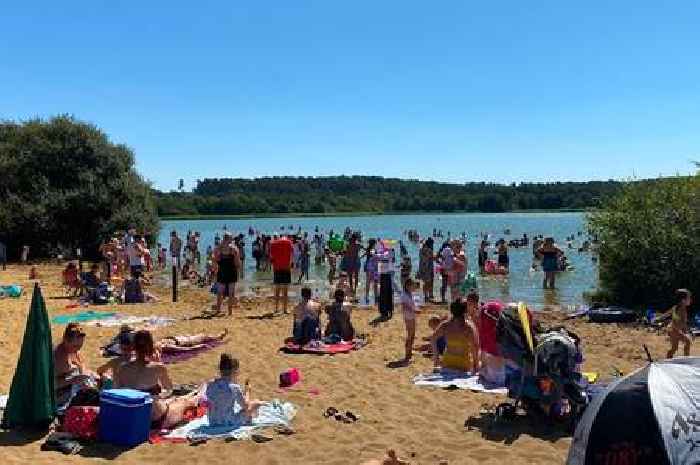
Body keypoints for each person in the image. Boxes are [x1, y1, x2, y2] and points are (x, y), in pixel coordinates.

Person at [114, 330, 201, 429]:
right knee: (184, 402)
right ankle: (198, 396)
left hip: (130, 416)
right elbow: (169, 389)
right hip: (155, 419)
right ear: (151, 347)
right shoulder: (158, 367)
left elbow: (117, 390)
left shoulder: (122, 368)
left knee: (170, 401)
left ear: (133, 347)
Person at [206, 354, 264, 428]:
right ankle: (249, 421)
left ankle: (249, 419)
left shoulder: (210, 384)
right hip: (228, 422)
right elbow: (246, 406)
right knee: (256, 403)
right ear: (234, 371)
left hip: (212, 422)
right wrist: (247, 391)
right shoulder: (234, 387)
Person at [431, 299, 479, 373]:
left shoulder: (445, 325)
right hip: (463, 364)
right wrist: (476, 366)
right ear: (465, 311)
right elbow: (474, 348)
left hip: (447, 362)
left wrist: (436, 358)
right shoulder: (469, 327)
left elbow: (433, 339)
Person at [54, 324, 97, 405]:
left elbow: (81, 363)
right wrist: (74, 379)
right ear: (65, 340)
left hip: (69, 384)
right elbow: (49, 385)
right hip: (56, 395)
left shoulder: (72, 349)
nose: (78, 349)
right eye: (75, 346)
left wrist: (84, 373)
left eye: (80, 346)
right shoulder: (59, 357)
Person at [214, 232, 241, 316]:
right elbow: (237, 263)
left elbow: (215, 260)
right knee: (231, 293)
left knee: (220, 292)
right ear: (229, 238)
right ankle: (230, 312)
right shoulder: (234, 249)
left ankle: (218, 310)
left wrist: (215, 270)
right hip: (232, 271)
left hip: (221, 271)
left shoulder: (218, 248)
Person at [270, 235, 293, 314]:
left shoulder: (273, 244)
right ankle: (285, 310)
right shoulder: (289, 243)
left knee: (277, 290)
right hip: (286, 268)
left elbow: (271, 257)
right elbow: (291, 255)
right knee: (285, 291)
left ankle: (276, 309)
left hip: (277, 268)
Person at [666, 289, 693, 358]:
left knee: (674, 348)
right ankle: (686, 360)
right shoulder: (681, 309)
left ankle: (669, 357)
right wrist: (683, 332)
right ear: (683, 300)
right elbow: (678, 323)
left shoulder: (677, 307)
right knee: (687, 342)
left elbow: (668, 313)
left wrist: (684, 330)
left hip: (673, 329)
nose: (691, 300)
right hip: (674, 330)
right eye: (689, 298)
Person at [400, 278, 418, 362]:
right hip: (408, 317)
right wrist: (414, 310)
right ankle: (407, 353)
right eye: (412, 285)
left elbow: (410, 305)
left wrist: (415, 310)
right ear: (408, 286)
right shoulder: (404, 295)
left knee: (412, 334)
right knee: (410, 335)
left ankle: (409, 351)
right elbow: (404, 306)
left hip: (411, 316)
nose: (414, 287)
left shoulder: (409, 294)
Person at [417, 238, 435, 303]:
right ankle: (429, 296)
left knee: (425, 283)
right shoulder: (429, 250)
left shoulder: (421, 250)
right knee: (429, 282)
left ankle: (426, 296)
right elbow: (433, 258)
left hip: (422, 269)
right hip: (428, 269)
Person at [363, 239, 379, 305]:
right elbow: (374, 257)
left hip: (368, 266)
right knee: (375, 282)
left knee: (368, 282)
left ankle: (367, 296)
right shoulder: (373, 250)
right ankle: (375, 297)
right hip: (373, 266)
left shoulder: (368, 249)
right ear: (374, 243)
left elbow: (366, 256)